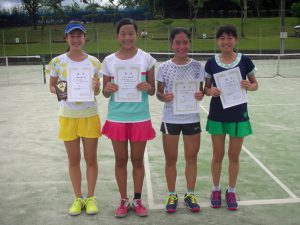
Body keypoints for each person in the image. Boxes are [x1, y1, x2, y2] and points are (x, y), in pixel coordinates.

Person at [100, 18, 156, 218]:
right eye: (123, 33)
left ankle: (138, 200)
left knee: (138, 160)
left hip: (140, 118)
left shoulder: (146, 58)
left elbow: (152, 90)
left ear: (136, 34)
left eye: (130, 33)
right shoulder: (108, 61)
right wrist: (107, 89)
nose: (127, 37)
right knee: (121, 160)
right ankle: (123, 200)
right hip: (117, 118)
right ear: (117, 36)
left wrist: (148, 87)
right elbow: (105, 94)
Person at [48, 20, 101, 216]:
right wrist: (61, 90)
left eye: (80, 35)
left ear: (85, 38)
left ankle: (91, 197)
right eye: (72, 36)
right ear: (66, 38)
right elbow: (52, 87)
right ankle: (78, 198)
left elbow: (98, 89)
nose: (76, 39)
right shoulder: (57, 62)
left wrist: (97, 87)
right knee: (73, 160)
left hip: (89, 115)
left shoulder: (95, 62)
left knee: (91, 159)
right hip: (68, 116)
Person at [204, 25, 258, 211]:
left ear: (235, 40)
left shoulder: (245, 61)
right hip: (218, 114)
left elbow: (255, 84)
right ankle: (216, 190)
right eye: (222, 38)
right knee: (217, 156)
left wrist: (248, 86)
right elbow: (206, 88)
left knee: (234, 156)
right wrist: (210, 91)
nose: (226, 42)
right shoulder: (211, 62)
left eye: (229, 38)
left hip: (238, 114)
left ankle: (231, 191)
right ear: (217, 41)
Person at [156, 27, 205, 213]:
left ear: (189, 43)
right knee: (171, 159)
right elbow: (159, 93)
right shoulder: (163, 67)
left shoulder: (196, 67)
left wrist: (200, 95)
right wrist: (164, 96)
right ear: (172, 44)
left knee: (191, 158)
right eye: (178, 42)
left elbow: (200, 92)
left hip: (191, 117)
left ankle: (190, 194)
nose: (182, 46)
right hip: (170, 118)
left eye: (185, 42)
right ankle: (172, 194)